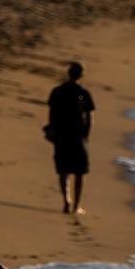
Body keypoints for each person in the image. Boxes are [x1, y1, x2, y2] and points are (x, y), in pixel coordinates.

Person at [46, 62, 94, 215]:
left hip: (61, 134)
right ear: (81, 75)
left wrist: (52, 131)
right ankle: (77, 205)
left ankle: (66, 201)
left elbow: (51, 114)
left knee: (63, 170)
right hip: (77, 136)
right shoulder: (83, 93)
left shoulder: (57, 91)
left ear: (68, 73)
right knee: (80, 172)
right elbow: (90, 119)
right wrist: (86, 136)